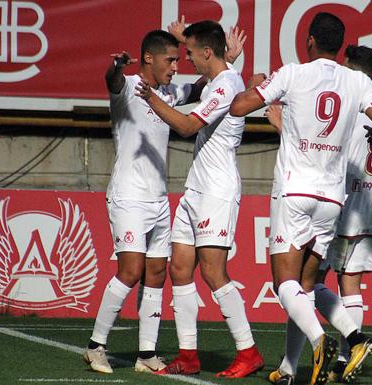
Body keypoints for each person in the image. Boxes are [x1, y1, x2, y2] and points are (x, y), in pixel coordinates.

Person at [230, 12, 372, 385]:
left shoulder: (293, 73)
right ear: (339, 46)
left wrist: (257, 87)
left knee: (284, 283)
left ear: (309, 41)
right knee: (307, 287)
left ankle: (320, 340)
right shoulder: (356, 81)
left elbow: (239, 107)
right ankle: (346, 341)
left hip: (294, 190)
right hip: (331, 199)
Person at [136, 19, 264, 378]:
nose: (185, 60)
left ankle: (248, 351)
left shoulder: (225, 86)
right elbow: (219, 68)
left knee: (212, 271)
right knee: (179, 268)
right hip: (196, 189)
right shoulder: (219, 79)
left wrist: (150, 98)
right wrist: (186, 38)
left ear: (207, 52)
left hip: (217, 192)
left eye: (190, 53)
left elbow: (188, 126)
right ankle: (189, 355)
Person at [83, 29, 195, 374]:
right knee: (130, 271)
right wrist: (116, 67)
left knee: (156, 273)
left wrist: (224, 57)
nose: (176, 67)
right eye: (171, 59)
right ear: (148, 58)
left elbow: (208, 85)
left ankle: (146, 354)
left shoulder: (171, 92)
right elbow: (111, 81)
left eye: (178, 59)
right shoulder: (128, 86)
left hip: (159, 199)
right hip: (128, 196)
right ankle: (95, 346)